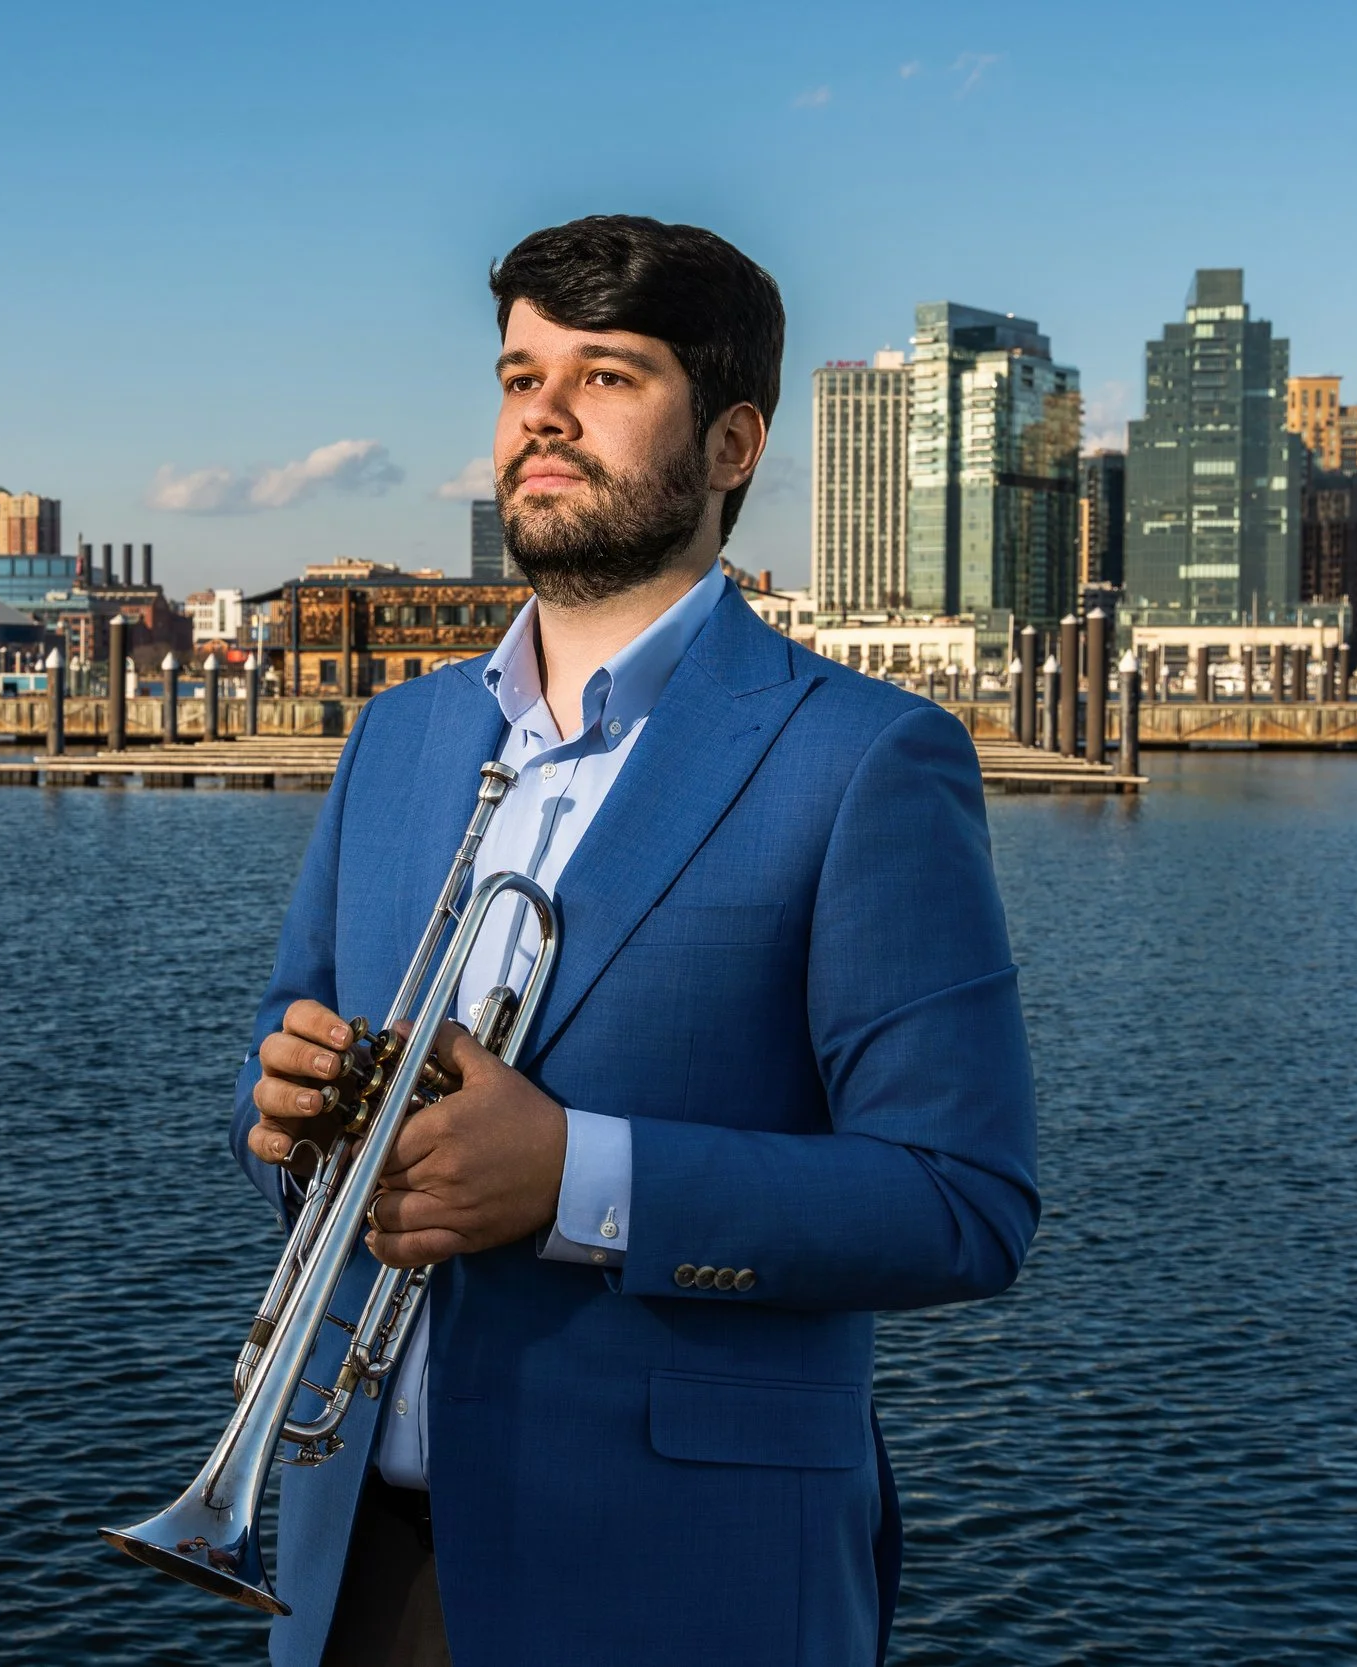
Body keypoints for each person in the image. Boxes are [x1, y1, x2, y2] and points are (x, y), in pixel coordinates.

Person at [231, 214, 1038, 1667]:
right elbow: (286, 1067)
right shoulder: (399, 738)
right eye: (518, 374)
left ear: (733, 444)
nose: (541, 411)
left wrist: (573, 1176)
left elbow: (962, 1202)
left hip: (687, 1580)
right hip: (354, 1556)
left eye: (605, 376)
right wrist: (291, 1114)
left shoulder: (868, 758)